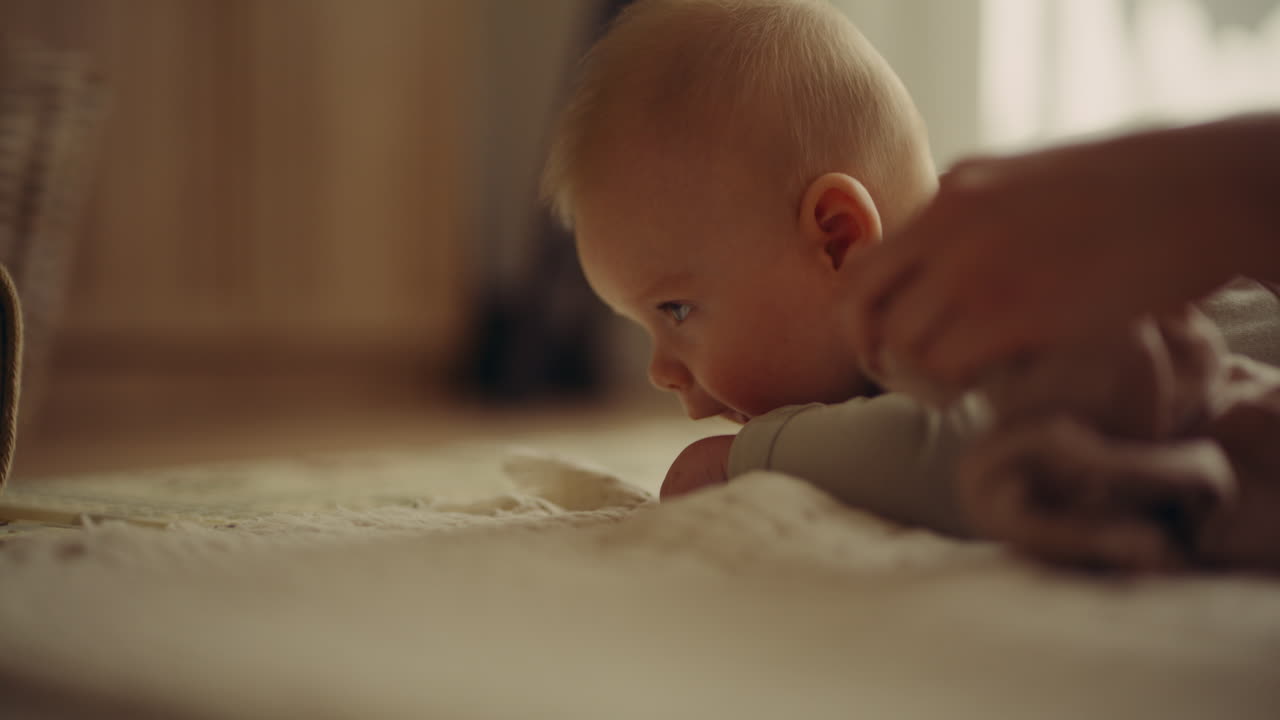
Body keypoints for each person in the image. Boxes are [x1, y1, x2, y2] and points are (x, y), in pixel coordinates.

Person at [542, 0, 1280, 566]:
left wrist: (745, 459)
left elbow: (970, 450)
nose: (660, 371)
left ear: (837, 239)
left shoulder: (984, 305)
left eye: (676, 308)